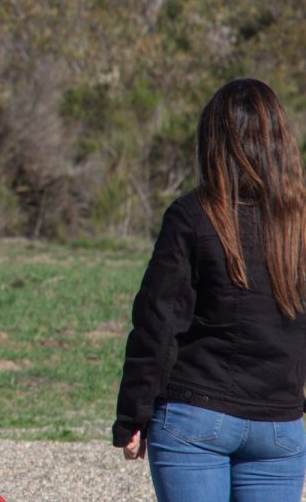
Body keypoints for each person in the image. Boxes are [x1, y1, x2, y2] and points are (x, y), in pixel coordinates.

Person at [113, 78, 306, 501]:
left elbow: (158, 325)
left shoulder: (190, 215)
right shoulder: (299, 223)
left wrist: (132, 414)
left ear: (213, 142)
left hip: (194, 418)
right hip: (281, 426)